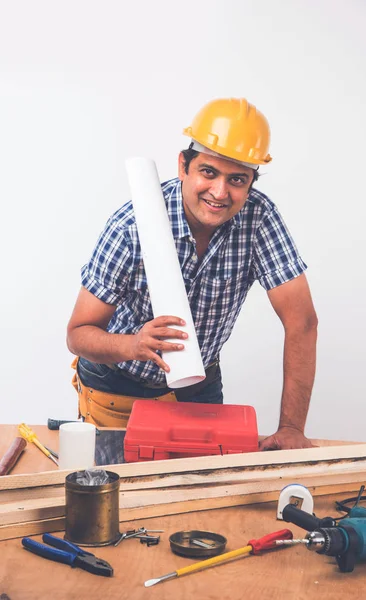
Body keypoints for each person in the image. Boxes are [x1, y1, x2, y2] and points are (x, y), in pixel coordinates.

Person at [67, 97, 318, 450]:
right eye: (209, 172)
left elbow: (302, 322)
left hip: (196, 385)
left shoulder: (259, 219)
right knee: (119, 496)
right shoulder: (131, 225)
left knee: (204, 493)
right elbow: (78, 334)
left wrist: (292, 427)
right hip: (116, 385)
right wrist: (134, 344)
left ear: (251, 183)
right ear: (184, 165)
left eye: (237, 179)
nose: (219, 192)